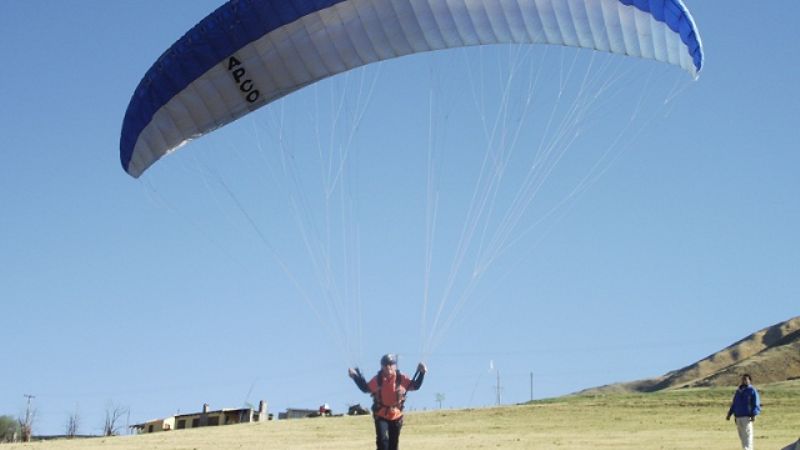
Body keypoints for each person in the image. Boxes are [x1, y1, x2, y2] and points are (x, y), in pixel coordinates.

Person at [348, 354, 427, 450]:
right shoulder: (378, 379)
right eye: (385, 365)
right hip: (381, 415)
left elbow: (416, 386)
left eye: (391, 364)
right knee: (382, 441)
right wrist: (355, 376)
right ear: (381, 366)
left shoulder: (401, 378)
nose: (388, 367)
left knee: (393, 444)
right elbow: (366, 388)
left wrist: (421, 373)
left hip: (396, 415)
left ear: (395, 366)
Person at [726, 374, 761, 450]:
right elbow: (734, 403)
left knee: (747, 435)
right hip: (738, 416)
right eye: (743, 379)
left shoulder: (752, 390)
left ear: (749, 380)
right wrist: (730, 413)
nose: (744, 381)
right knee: (742, 436)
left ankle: (748, 449)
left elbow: (756, 403)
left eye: (746, 379)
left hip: (747, 416)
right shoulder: (738, 391)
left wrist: (754, 414)